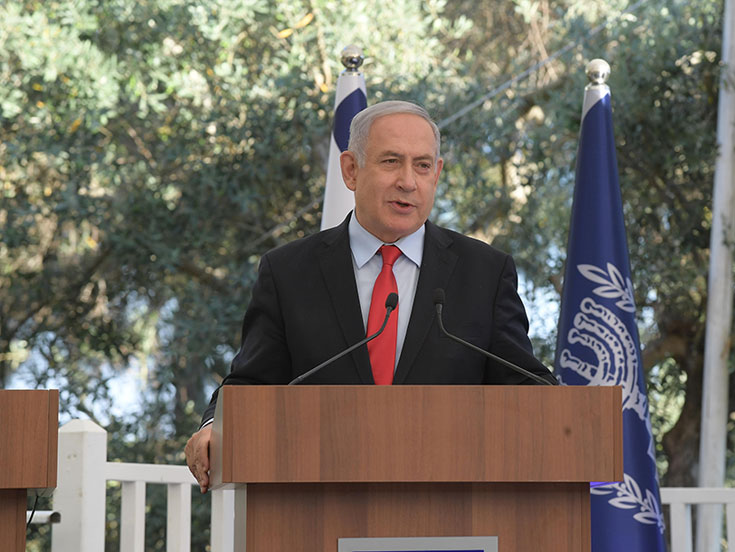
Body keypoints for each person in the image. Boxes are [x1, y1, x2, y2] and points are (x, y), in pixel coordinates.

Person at [185, 100, 557, 492]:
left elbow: (524, 385)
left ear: (438, 173)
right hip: (319, 504)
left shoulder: (485, 272)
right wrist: (215, 427)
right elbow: (252, 383)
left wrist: (573, 421)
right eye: (391, 162)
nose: (409, 182)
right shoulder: (289, 272)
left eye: (423, 165)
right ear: (350, 170)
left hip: (452, 514)